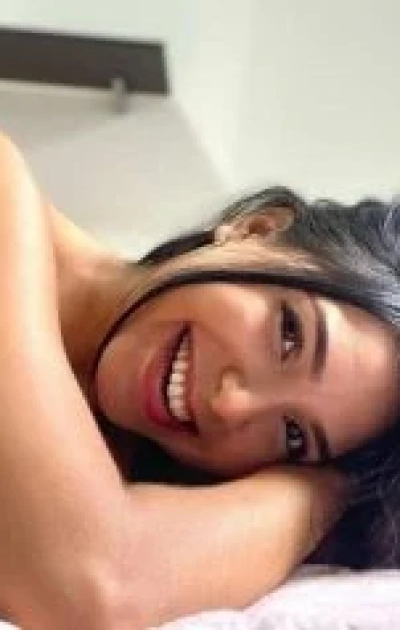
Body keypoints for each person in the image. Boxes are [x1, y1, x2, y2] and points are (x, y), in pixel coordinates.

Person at [0, 132, 397, 629]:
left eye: (294, 435)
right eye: (289, 335)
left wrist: (335, 491)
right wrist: (324, 491)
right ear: (256, 228)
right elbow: (96, 585)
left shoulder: (127, 488)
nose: (232, 405)